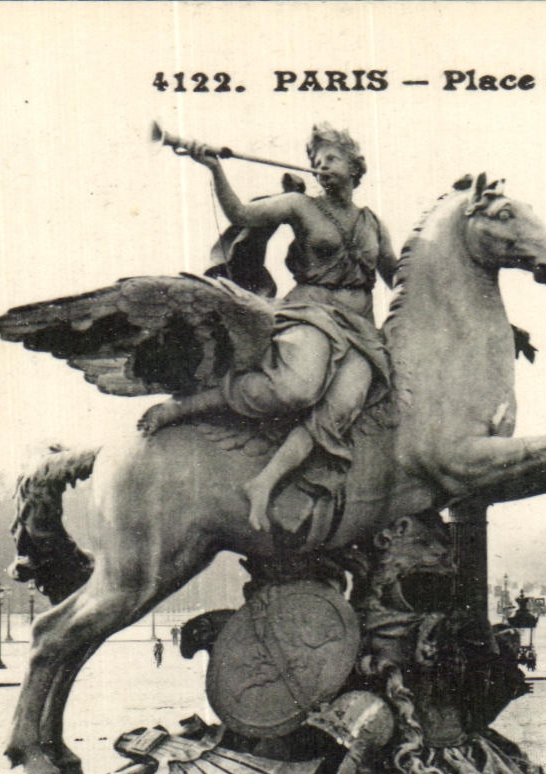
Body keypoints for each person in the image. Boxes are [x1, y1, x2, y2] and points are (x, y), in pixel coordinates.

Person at [137, 124, 399, 533]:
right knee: (296, 389)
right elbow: (241, 215)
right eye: (316, 161)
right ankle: (187, 406)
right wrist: (214, 170)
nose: (321, 166)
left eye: (331, 159)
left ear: (354, 165)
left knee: (342, 409)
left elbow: (397, 277)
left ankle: (266, 483)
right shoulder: (300, 205)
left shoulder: (373, 224)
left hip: (362, 333)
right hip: (311, 315)